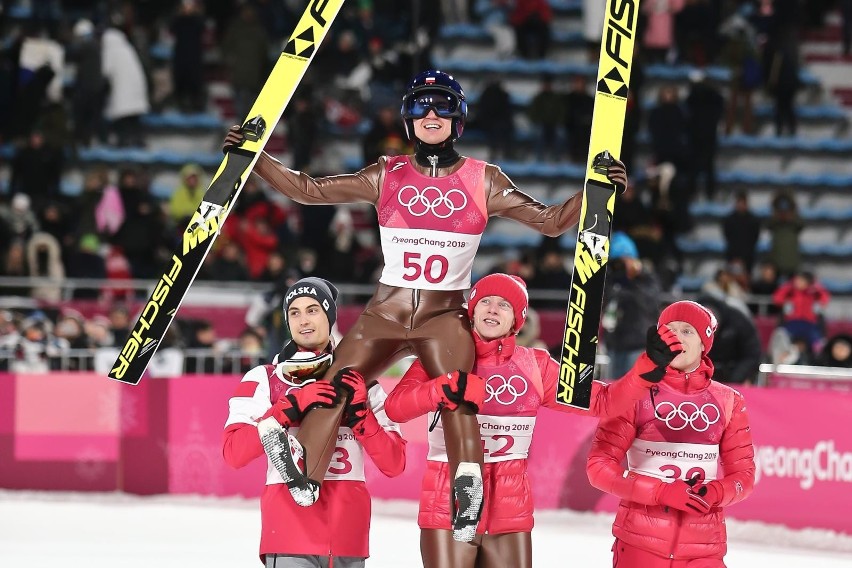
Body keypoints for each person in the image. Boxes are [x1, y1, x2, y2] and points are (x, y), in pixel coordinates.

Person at [222, 69, 629, 541]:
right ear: (407, 119)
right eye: (420, 106)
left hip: (443, 316)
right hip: (386, 313)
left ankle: (468, 489)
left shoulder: (484, 179)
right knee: (335, 384)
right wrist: (255, 159)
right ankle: (303, 477)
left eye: (441, 105)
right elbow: (307, 190)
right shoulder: (387, 173)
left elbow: (552, 222)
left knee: (458, 390)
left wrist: (597, 191)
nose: (430, 114)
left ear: (458, 118)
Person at [384, 274, 658, 567]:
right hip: (448, 502)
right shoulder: (441, 356)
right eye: (485, 301)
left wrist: (644, 371)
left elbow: (603, 401)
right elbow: (396, 408)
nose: (492, 309)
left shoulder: (535, 366)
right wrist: (442, 387)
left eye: (504, 305)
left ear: (517, 319)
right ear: (471, 310)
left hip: (509, 507)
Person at [223, 277, 406, 567]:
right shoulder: (264, 379)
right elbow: (233, 453)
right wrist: (289, 407)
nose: (303, 320)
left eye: (313, 310)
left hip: (349, 539)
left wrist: (362, 416)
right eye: (294, 312)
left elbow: (394, 464)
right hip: (289, 535)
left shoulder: (363, 385)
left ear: (330, 316)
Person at [587, 300, 756, 568]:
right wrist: (660, 492)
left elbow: (744, 477)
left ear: (704, 344)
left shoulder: (729, 400)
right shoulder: (634, 393)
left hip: (704, 549)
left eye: (687, 331)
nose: (676, 337)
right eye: (669, 330)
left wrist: (716, 492)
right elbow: (599, 468)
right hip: (639, 545)